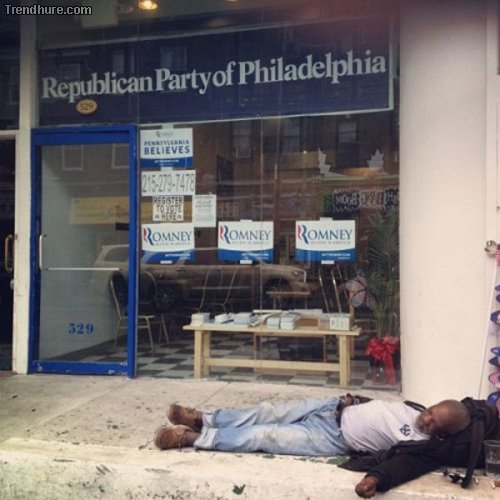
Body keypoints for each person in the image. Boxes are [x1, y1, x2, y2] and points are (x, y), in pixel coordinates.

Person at [153, 395, 471, 498]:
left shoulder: (424, 448)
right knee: (265, 411)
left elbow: (402, 467)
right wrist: (354, 399)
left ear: (444, 433)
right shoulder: (416, 408)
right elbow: (381, 408)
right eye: (430, 412)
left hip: (330, 438)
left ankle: (191, 438)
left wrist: (375, 479)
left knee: (265, 435)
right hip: (332, 406)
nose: (426, 419)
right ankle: (203, 418)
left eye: (434, 423)